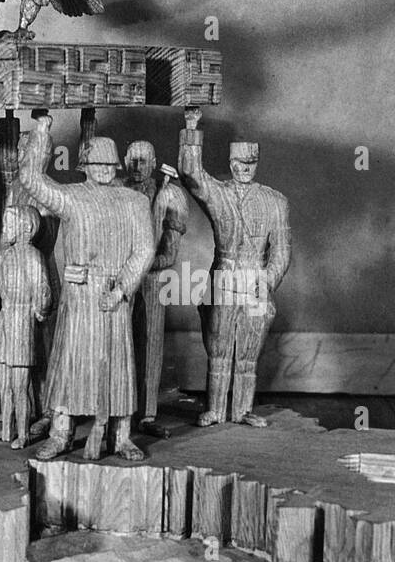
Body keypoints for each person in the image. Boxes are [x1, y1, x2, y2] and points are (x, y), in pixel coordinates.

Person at [20, 113, 155, 461]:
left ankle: (122, 436)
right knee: (69, 362)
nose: (105, 168)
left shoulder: (135, 202)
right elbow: (31, 179)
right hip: (80, 294)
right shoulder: (72, 197)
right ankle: (61, 433)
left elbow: (144, 249)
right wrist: (42, 131)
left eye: (110, 163)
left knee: (119, 366)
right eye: (97, 162)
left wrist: (122, 289)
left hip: (115, 292)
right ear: (84, 165)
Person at [178, 108, 290, 427]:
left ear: (257, 164)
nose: (245, 169)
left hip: (255, 280)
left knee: (247, 356)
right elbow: (191, 174)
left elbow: (282, 250)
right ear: (231, 164)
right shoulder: (220, 194)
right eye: (240, 164)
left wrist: (267, 280)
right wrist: (190, 127)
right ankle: (215, 409)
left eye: (251, 164)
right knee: (220, 350)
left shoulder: (275, 201)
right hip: (225, 278)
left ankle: (242, 410)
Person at [123, 139, 188, 437]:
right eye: (133, 160)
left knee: (150, 343)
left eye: (144, 161)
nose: (137, 167)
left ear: (154, 162)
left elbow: (170, 253)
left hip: (151, 279)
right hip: (122, 276)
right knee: (118, 342)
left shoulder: (168, 195)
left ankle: (147, 414)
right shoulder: (117, 191)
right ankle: (119, 408)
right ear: (124, 161)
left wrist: (144, 263)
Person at [0, 206, 51, 449]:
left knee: (20, 384)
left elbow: (43, 291)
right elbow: (1, 289)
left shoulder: (34, 257)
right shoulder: (5, 256)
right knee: (4, 381)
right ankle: (5, 429)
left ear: (26, 228)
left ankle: (23, 433)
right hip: (6, 318)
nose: (6, 230)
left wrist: (39, 311)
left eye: (10, 225)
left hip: (22, 321)